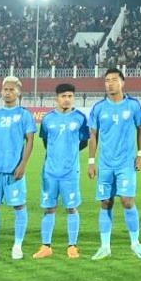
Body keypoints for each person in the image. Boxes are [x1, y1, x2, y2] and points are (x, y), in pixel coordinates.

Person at [89, 67, 141, 261]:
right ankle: (105, 246)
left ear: (122, 82)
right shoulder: (98, 108)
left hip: (125, 163)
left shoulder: (133, 106)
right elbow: (93, 136)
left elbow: (140, 129)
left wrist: (140, 154)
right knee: (106, 202)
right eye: (107, 80)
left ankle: (135, 243)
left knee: (127, 200)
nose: (110, 83)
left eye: (114, 80)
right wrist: (91, 161)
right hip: (105, 164)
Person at [0, 76, 38, 260]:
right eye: (5, 89)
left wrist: (23, 164)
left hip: (14, 171)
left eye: (12, 89)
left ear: (19, 92)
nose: (8, 92)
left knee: (19, 206)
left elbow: (30, 141)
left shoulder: (24, 114)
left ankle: (17, 246)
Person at [34, 83, 90, 259]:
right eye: (63, 96)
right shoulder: (48, 119)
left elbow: (84, 142)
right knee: (49, 208)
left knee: (72, 208)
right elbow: (45, 141)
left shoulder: (80, 118)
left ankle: (72, 246)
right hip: (50, 172)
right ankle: (46, 246)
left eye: (70, 96)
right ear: (56, 98)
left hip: (70, 172)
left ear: (74, 98)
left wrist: (69, 155)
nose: (67, 99)